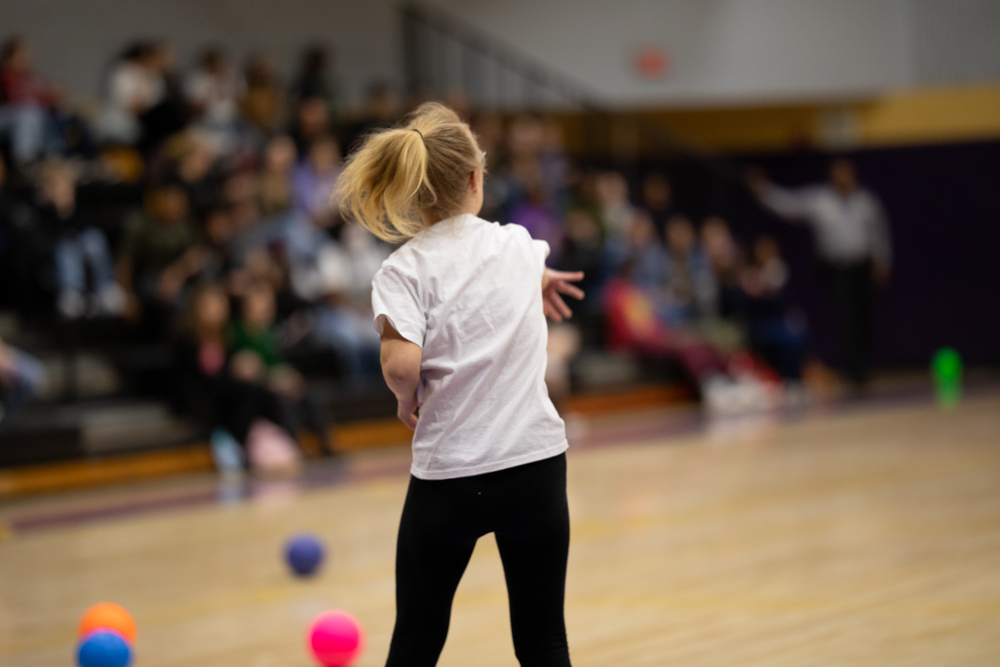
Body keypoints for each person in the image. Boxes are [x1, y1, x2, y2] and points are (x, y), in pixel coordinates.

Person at [337, 102, 582, 666]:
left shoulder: (403, 270)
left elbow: (402, 366)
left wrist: (405, 399)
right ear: (476, 179)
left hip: (452, 477)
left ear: (412, 191)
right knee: (544, 638)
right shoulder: (519, 245)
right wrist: (539, 281)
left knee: (418, 638)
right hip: (536, 468)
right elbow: (518, 265)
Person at [748, 159, 892, 387]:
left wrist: (882, 262)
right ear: (831, 177)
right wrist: (763, 189)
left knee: (864, 319)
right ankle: (854, 371)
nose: (843, 178)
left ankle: (865, 368)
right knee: (846, 321)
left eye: (847, 174)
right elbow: (789, 204)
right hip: (836, 271)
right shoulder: (820, 200)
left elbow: (879, 233)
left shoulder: (866, 201)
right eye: (838, 174)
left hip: (862, 267)